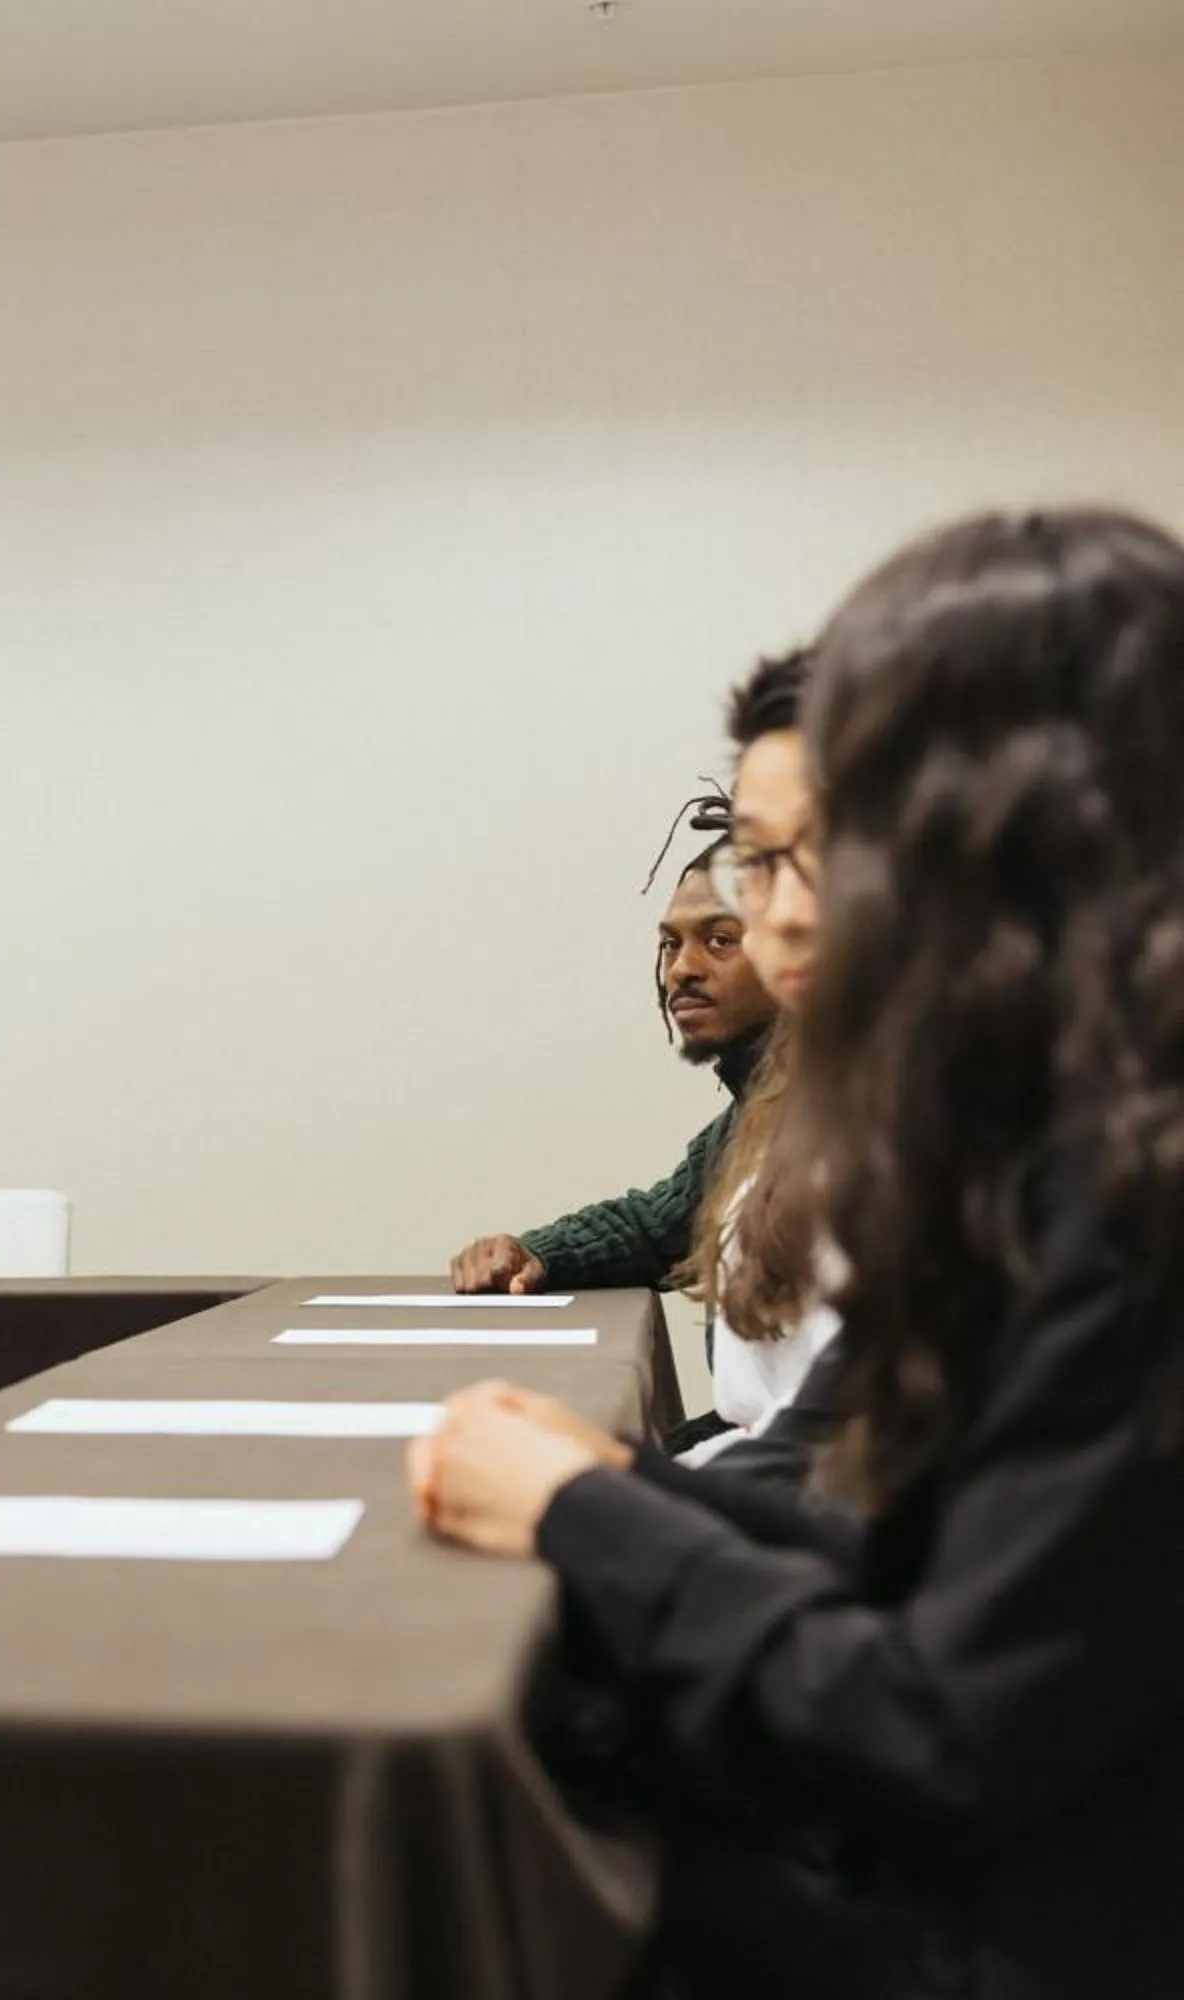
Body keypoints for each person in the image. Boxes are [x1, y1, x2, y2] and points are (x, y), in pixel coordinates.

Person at [413, 509, 1184, 1998]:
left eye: (809, 857)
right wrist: (617, 1492)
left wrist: (589, 1515)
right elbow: (914, 1552)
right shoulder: (1049, 1136)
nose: (773, 927)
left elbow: (936, 1734)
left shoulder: (1129, 1188)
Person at [449, 798, 781, 1295]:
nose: (681, 969)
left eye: (719, 939)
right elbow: (651, 1230)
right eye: (671, 944)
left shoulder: (856, 1111)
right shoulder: (753, 1115)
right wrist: (533, 1254)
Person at [669, 652, 840, 1463]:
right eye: (760, 865)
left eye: (824, 856)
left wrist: (583, 1493)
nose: (788, 913)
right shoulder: (805, 1092)